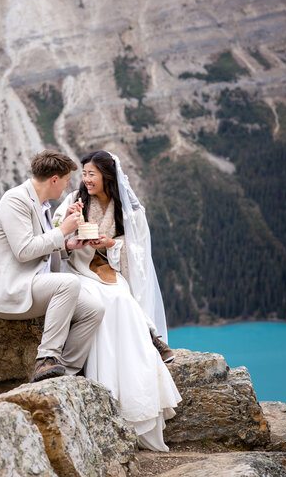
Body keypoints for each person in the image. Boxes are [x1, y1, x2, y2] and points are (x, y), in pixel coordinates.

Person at [53, 150, 181, 451]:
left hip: (109, 268)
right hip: (80, 268)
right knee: (105, 302)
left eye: (91, 174)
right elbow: (57, 236)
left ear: (107, 176)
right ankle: (138, 354)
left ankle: (139, 383)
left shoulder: (127, 209)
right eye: (84, 174)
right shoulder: (75, 200)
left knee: (121, 299)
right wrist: (72, 234)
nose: (85, 179)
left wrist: (110, 243)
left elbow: (137, 252)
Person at [0, 150, 105, 383]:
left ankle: (65, 372)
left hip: (33, 285)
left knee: (93, 309)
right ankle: (46, 358)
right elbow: (24, 251)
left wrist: (67, 244)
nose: (66, 188)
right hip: (12, 290)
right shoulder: (15, 200)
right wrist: (63, 229)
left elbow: (43, 247)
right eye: (66, 181)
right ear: (54, 179)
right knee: (68, 283)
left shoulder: (41, 204)